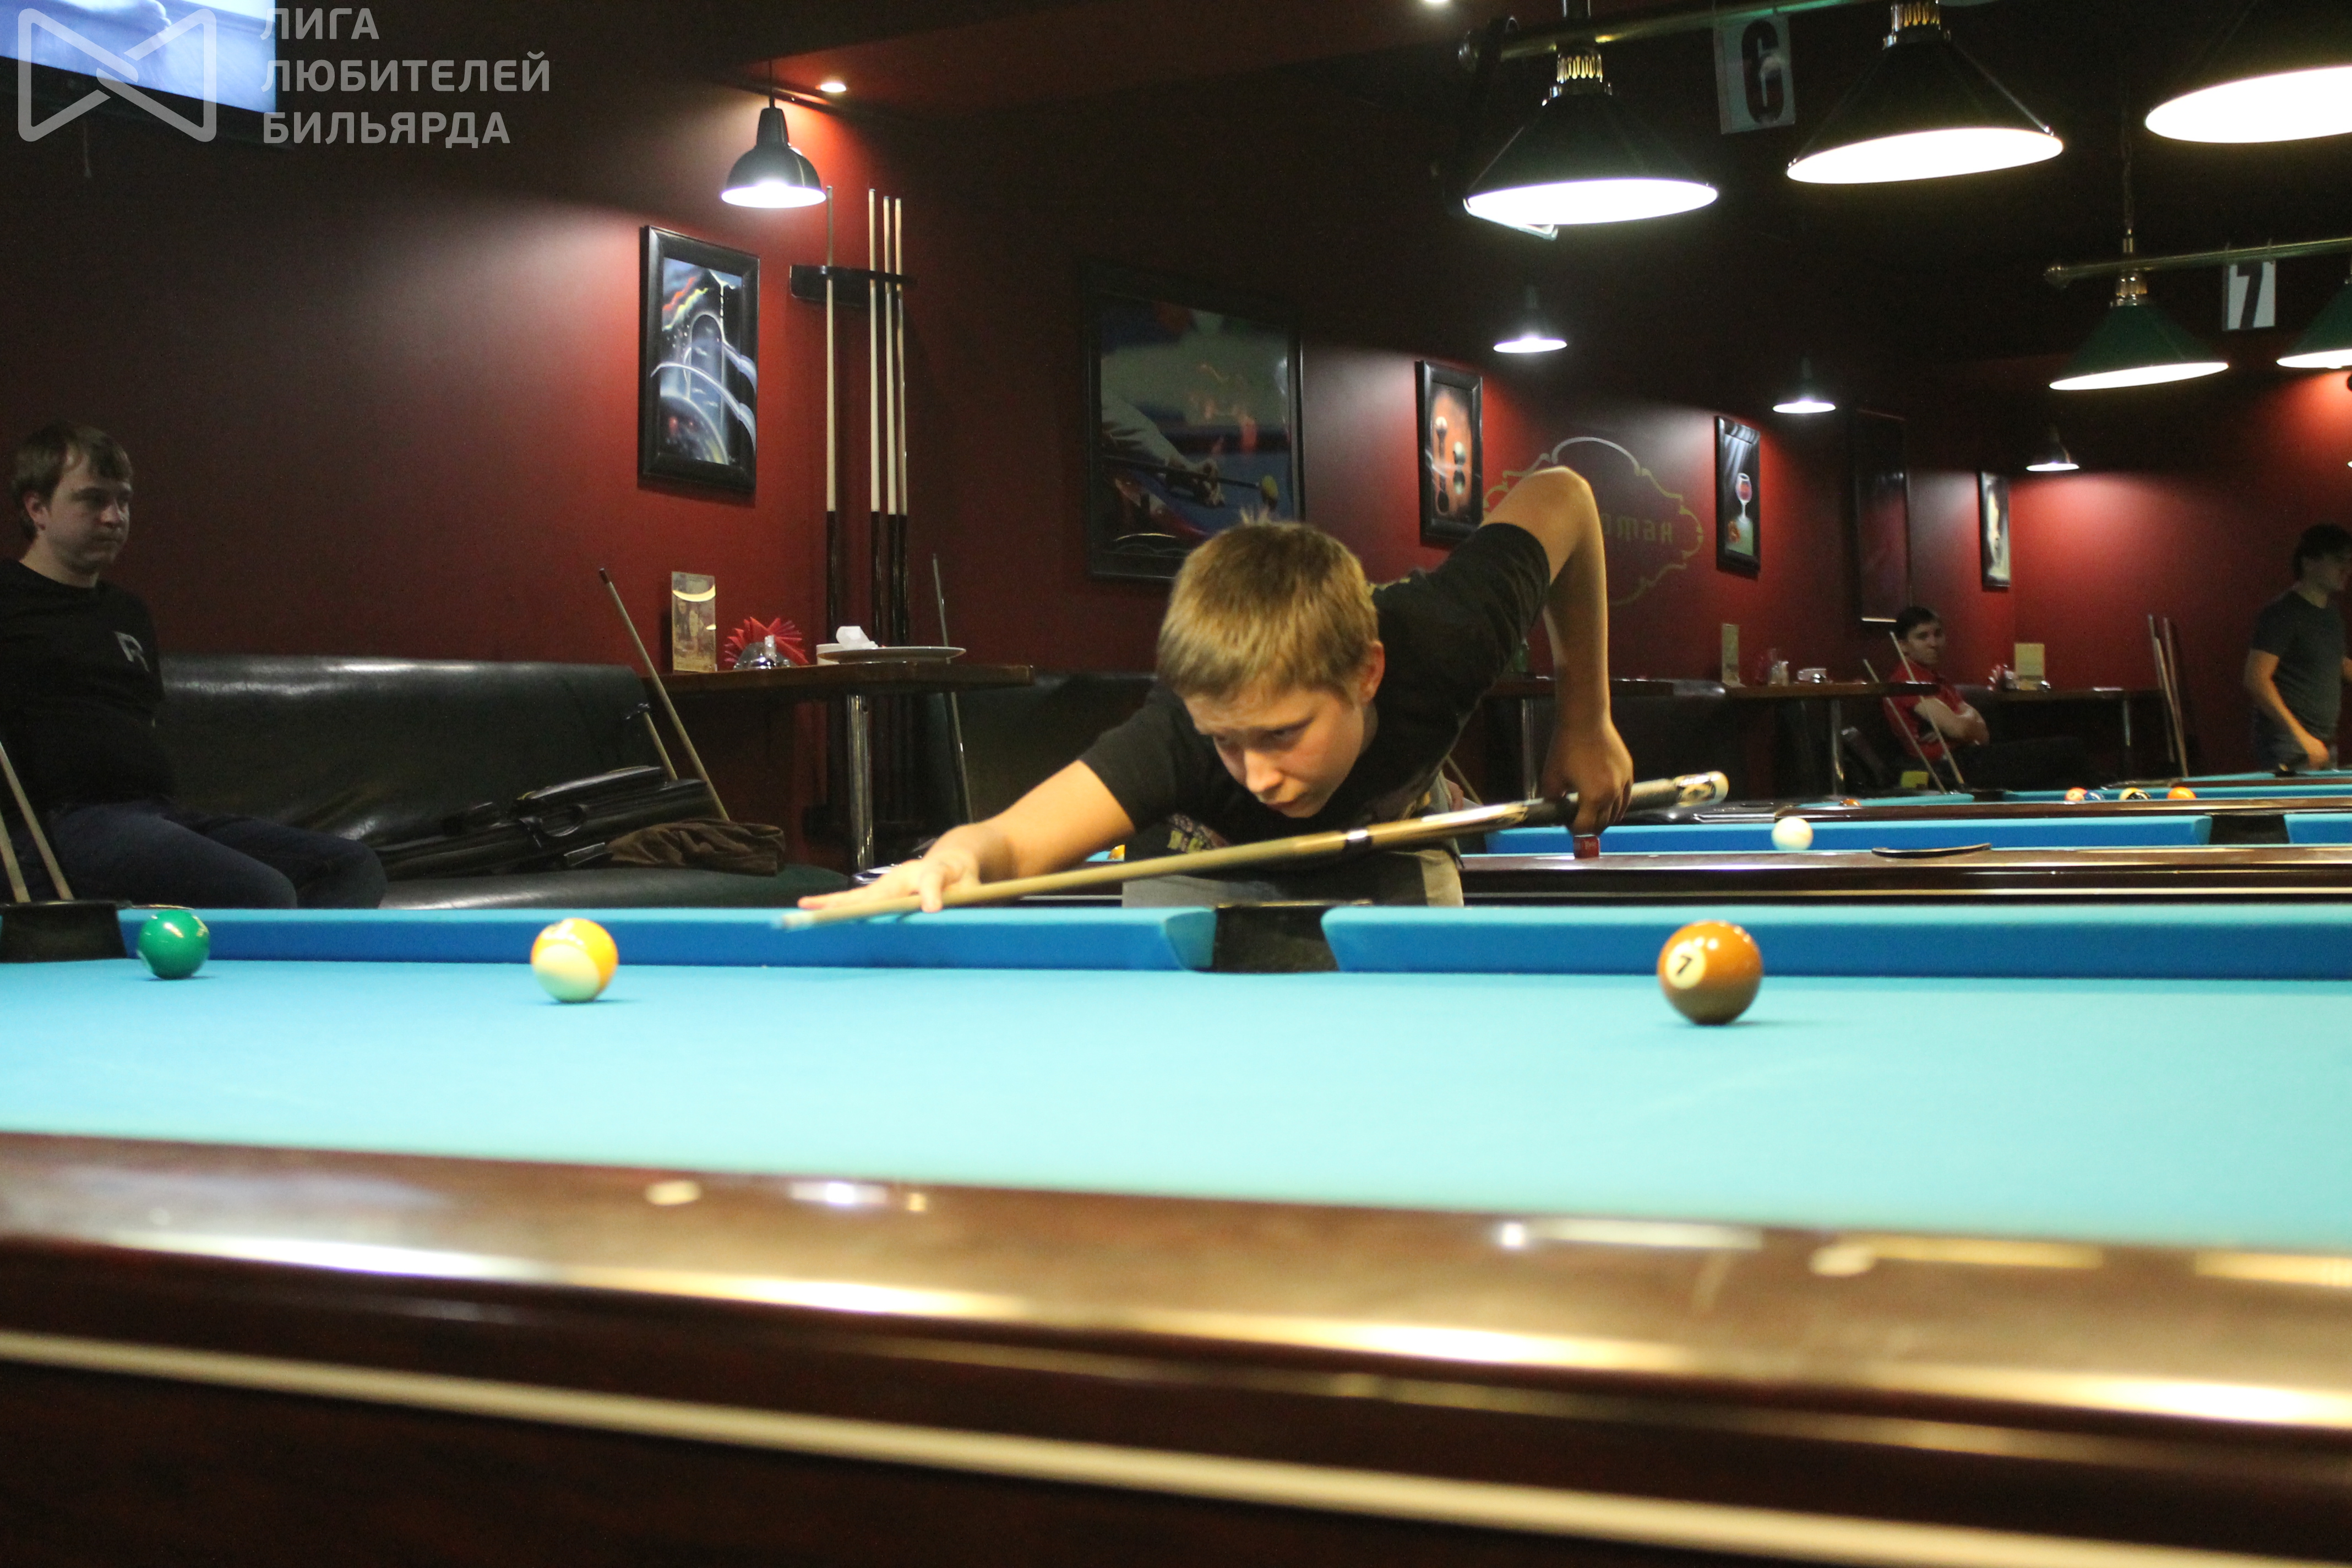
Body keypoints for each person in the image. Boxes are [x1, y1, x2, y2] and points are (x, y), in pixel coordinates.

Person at [805, 466, 1634, 912]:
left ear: (1367, 673)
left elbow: (1566, 495)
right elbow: (1013, 844)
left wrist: (1586, 720)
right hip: (1202, 870)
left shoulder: (1447, 639)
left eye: (1282, 734)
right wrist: (952, 859)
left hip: (1390, 850)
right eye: (1226, 740)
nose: (1258, 773)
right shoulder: (1179, 741)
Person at [2, 421, 385, 907]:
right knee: (263, 891)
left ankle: (284, 956)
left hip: (156, 815)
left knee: (354, 865)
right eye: (93, 500)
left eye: (123, 501)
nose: (114, 517)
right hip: (61, 826)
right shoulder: (8, 597)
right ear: (37, 508)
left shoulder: (127, 613)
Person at [1882, 606, 2087, 790]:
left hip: (1972, 756)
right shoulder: (1906, 681)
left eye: (1938, 634)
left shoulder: (1937, 679)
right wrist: (1961, 724)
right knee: (2070, 748)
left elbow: (1983, 733)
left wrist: (1957, 725)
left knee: (2065, 781)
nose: (1933, 643)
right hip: (1951, 767)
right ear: (1903, 645)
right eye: (1922, 637)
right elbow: (1961, 729)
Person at [2244, 523, 2352, 773]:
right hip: (2291, 744)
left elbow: (2335, 662)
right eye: (2339, 561)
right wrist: (2300, 737)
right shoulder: (2283, 613)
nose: (2348, 569)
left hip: (2322, 742)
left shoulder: (2331, 613)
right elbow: (2256, 679)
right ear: (2309, 562)